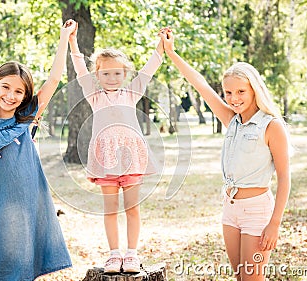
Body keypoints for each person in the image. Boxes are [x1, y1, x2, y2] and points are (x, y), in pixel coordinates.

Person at [159, 28, 290, 281]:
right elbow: (200, 85)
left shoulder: (271, 126)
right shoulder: (232, 121)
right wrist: (172, 53)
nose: (233, 98)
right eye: (228, 92)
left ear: (254, 90)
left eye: (241, 91)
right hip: (230, 209)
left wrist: (274, 223)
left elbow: (285, 177)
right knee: (240, 278)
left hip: (257, 211)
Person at [0, 19, 77, 281]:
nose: (11, 95)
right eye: (6, 87)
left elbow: (55, 78)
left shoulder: (27, 118)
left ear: (25, 96)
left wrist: (64, 38)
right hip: (1, 208)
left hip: (33, 204)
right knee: (4, 267)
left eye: (19, 91)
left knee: (29, 266)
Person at [67, 23, 164, 273]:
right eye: (106, 74)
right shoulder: (95, 96)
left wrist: (162, 44)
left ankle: (131, 254)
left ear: (125, 74)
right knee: (110, 210)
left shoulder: (131, 93)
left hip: (131, 158)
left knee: (132, 209)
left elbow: (150, 69)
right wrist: (73, 42)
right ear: (97, 76)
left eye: (117, 74)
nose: (112, 78)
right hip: (106, 159)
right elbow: (79, 70)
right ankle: (113, 254)